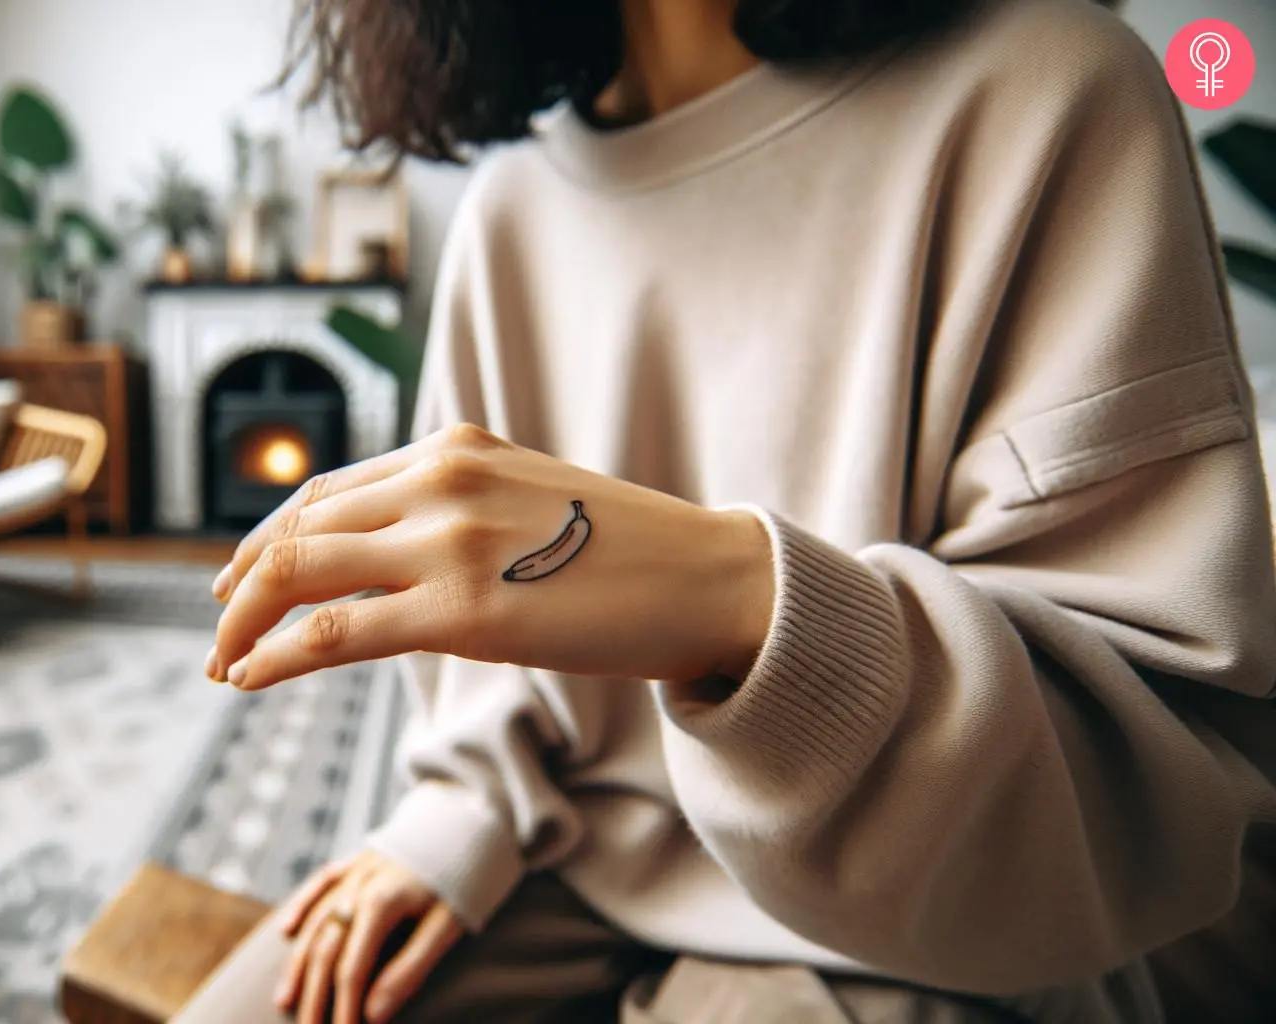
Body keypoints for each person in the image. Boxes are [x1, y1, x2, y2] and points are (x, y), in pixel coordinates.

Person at [177, 0, 1276, 1020]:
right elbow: (481, 681)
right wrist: (452, 817)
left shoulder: (1053, 89)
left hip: (910, 915)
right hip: (561, 850)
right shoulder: (510, 205)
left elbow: (1143, 791)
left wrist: (739, 602)